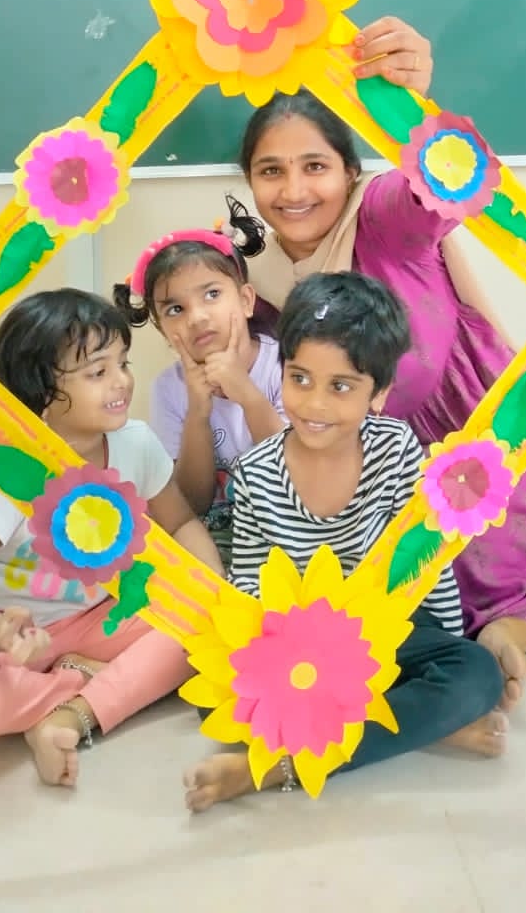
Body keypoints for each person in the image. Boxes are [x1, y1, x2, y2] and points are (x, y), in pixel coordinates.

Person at [235, 37, 526, 711]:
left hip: (509, 430)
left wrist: (413, 109)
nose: (294, 191)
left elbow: (433, 188)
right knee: (459, 564)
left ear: (350, 171)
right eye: (270, 171)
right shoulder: (259, 287)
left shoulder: (382, 217)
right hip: (415, 488)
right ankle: (523, 618)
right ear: (249, 182)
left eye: (315, 166)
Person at [184, 272, 505, 811]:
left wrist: (448, 641)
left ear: (378, 393)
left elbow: (426, 561)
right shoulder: (255, 472)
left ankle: (281, 764)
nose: (314, 404)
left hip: (385, 633)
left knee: (475, 674)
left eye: (340, 386)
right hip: (299, 650)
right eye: (300, 378)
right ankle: (421, 725)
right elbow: (250, 586)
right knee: (215, 692)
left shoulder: (396, 448)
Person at [0, 288, 223, 789]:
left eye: (123, 364)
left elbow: (179, 523)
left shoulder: (135, 442)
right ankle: (82, 679)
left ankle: (71, 716)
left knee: (204, 628)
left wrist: (213, 592)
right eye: (97, 372)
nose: (122, 382)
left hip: (101, 618)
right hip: (8, 637)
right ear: (40, 391)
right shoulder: (4, 470)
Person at [114, 217, 284, 565]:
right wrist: (198, 412)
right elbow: (192, 503)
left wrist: (247, 394)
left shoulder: (285, 365)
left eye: (212, 294)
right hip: (215, 536)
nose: (196, 317)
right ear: (162, 329)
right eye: (175, 309)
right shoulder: (169, 388)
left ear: (246, 300)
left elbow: (295, 475)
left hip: (286, 528)